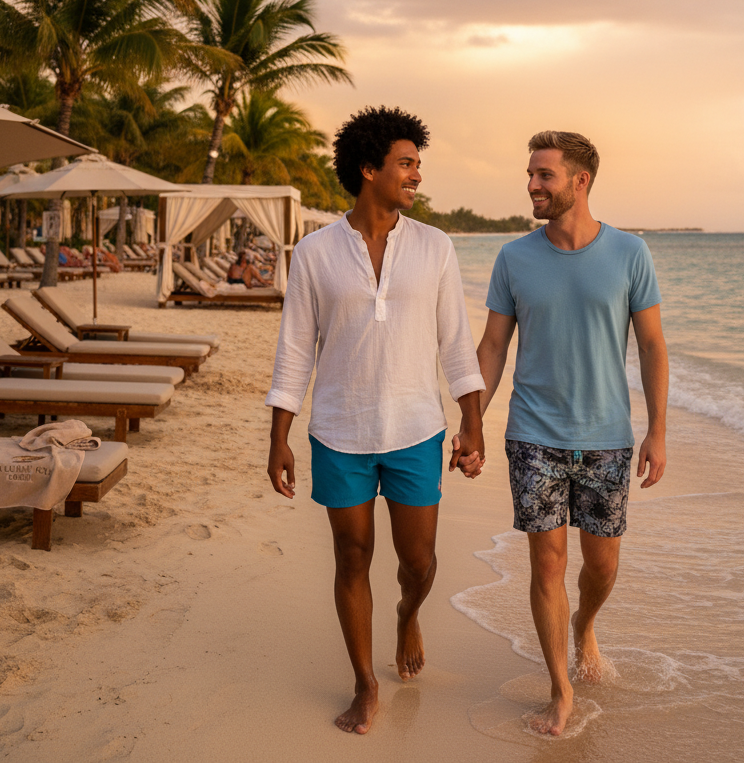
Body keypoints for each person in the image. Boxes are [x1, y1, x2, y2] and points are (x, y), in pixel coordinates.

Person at [265, 105, 486, 736]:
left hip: (417, 427)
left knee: (419, 562)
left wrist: (471, 423)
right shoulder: (315, 253)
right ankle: (364, 683)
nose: (416, 175)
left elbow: (455, 343)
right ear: (369, 169)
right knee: (352, 555)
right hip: (340, 430)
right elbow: (295, 350)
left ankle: (407, 614)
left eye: (418, 164)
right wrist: (279, 437)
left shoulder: (435, 246)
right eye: (406, 163)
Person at [476, 130, 668, 737]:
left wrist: (658, 431)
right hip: (533, 433)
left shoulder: (630, 252)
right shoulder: (514, 258)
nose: (532, 185)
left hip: (607, 436)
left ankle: (584, 625)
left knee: (602, 566)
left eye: (544, 175)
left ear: (580, 182)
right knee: (547, 563)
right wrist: (470, 421)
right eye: (530, 175)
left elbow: (652, 345)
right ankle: (561, 689)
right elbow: (493, 346)